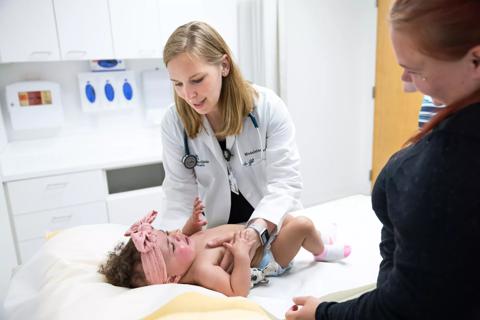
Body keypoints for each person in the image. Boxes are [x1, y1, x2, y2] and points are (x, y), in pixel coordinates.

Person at [286, 0, 480, 319]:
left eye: (415, 71)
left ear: (475, 59)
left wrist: (322, 314)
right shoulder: (451, 111)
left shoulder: (448, 170)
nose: (406, 84)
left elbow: (405, 305)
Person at [160, 21, 303, 270]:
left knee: (302, 230)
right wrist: (171, 243)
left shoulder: (267, 108)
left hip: (269, 225)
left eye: (196, 80)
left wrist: (255, 234)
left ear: (224, 66)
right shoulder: (174, 123)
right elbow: (179, 194)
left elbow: (285, 182)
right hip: (217, 234)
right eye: (177, 84)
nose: (188, 94)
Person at [98, 207, 351, 297]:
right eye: (172, 245)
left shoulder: (184, 247)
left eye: (168, 234)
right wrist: (241, 256)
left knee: (282, 215)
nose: (176, 236)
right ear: (173, 278)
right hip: (268, 257)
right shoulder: (201, 270)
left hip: (258, 234)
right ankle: (321, 250)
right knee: (301, 225)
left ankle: (316, 238)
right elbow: (237, 290)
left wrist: (192, 225)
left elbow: (180, 237)